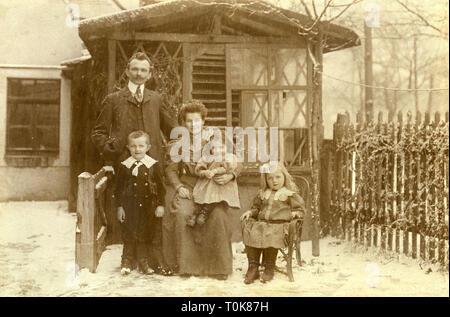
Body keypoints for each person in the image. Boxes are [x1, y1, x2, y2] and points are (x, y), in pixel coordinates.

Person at [91, 52, 172, 274]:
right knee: (127, 214)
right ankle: (130, 257)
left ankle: (147, 258)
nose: (139, 74)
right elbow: (98, 132)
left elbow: (172, 129)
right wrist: (112, 150)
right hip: (125, 168)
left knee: (149, 215)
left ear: (149, 73)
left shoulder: (155, 99)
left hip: (152, 168)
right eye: (135, 69)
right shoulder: (114, 99)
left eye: (144, 70)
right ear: (127, 71)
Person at [163, 100, 243, 280]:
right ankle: (188, 266)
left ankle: (218, 268)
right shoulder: (178, 143)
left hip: (212, 189)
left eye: (197, 120)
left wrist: (231, 176)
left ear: (204, 121)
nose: (193, 125)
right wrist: (179, 187)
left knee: (218, 217)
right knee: (183, 213)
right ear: (183, 123)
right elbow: (171, 170)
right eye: (189, 121)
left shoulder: (217, 138)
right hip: (190, 187)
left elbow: (238, 163)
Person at [240, 162, 305, 284]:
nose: (274, 181)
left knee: (270, 234)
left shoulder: (289, 194)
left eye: (278, 177)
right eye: (270, 178)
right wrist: (250, 212)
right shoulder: (263, 193)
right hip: (262, 223)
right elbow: (256, 208)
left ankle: (269, 267)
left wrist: (295, 213)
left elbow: (300, 209)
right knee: (251, 230)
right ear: (266, 179)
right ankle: (253, 267)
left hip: (279, 227)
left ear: (284, 177)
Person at [114, 131, 165, 275]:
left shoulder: (153, 165)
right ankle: (127, 261)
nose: (137, 150)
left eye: (141, 146)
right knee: (129, 233)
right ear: (128, 147)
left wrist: (160, 205)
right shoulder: (124, 166)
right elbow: (118, 189)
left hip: (148, 208)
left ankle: (143, 262)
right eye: (133, 146)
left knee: (145, 234)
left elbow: (161, 187)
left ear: (148, 147)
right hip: (130, 208)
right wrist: (120, 207)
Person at [188, 143, 241, 227]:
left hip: (220, 185)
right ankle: (194, 214)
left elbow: (225, 168)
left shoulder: (228, 157)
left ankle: (204, 213)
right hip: (207, 183)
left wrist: (216, 171)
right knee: (200, 198)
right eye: (214, 148)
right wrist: (205, 172)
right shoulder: (207, 157)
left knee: (214, 200)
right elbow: (199, 168)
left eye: (221, 147)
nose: (218, 150)